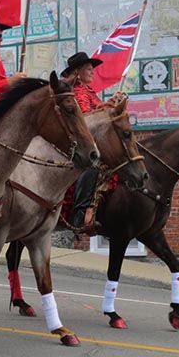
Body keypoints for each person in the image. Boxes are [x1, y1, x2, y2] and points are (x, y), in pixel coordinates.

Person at [61, 52, 125, 229]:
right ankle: (80, 212)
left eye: (92, 69)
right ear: (77, 71)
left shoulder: (88, 90)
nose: (92, 72)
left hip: (90, 139)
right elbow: (88, 118)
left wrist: (113, 103)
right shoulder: (75, 91)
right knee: (92, 164)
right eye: (89, 69)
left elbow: (99, 109)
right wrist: (109, 109)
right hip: (77, 142)